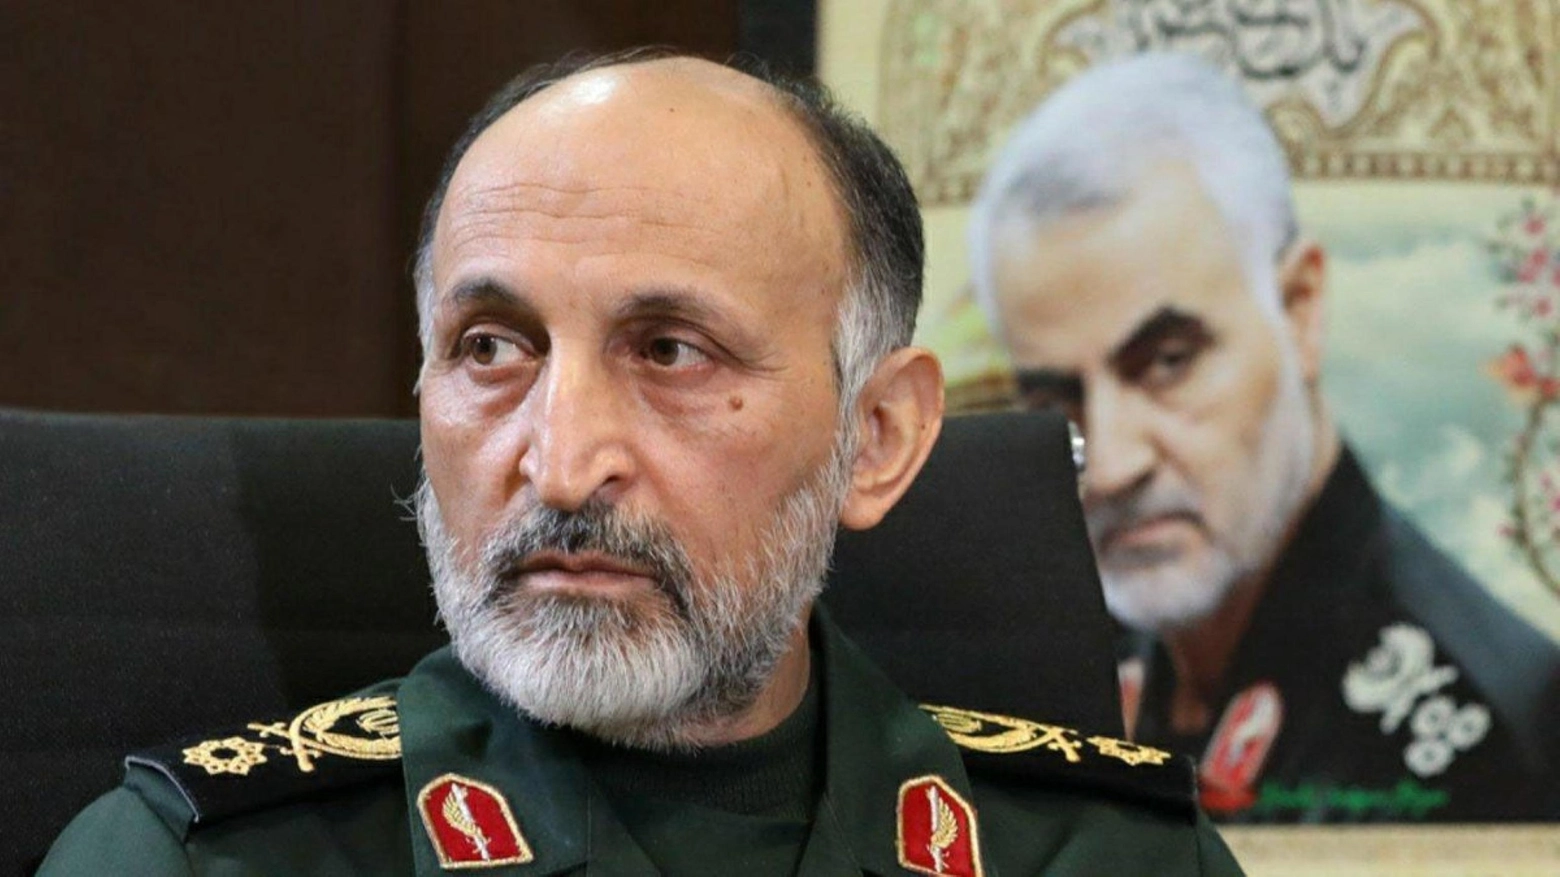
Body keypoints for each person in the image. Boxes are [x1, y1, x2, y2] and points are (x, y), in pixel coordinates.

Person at [39, 52, 1243, 874]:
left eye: (670, 351)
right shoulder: (187, 859)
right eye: (491, 347)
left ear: (876, 437)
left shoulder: (1123, 854)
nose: (561, 466)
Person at [969, 52, 1560, 823]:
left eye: (1168, 362)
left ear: (1301, 311)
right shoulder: (1066, 657)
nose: (1110, 464)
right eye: (1056, 399)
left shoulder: (1488, 748)